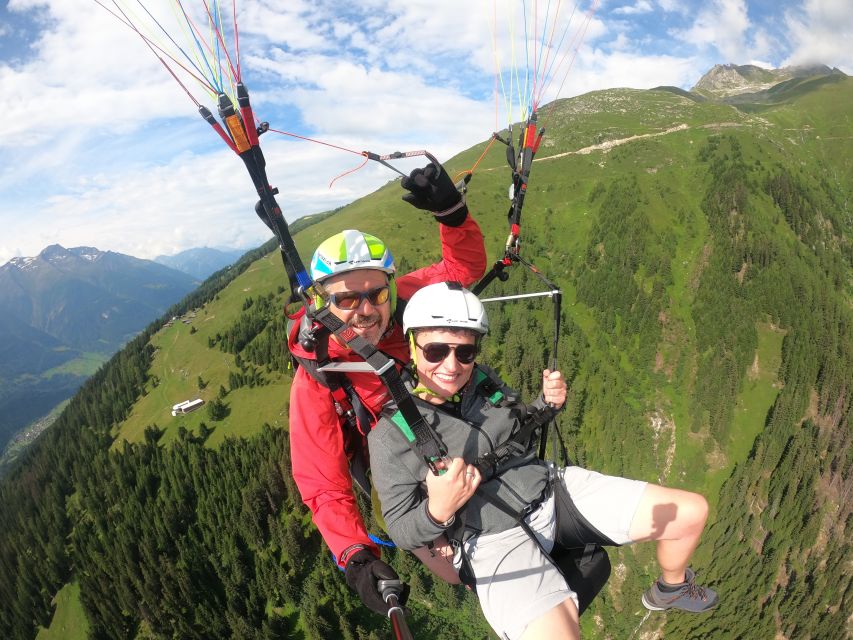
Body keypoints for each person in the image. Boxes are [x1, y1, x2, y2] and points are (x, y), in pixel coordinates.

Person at [368, 282, 719, 640]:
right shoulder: (389, 435)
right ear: (412, 347)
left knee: (689, 514)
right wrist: (436, 512)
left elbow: (517, 432)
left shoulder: (483, 382)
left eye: (465, 352)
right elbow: (398, 525)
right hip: (490, 540)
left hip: (550, 490)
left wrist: (545, 406)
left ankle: (670, 588)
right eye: (436, 351)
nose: (452, 365)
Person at [287, 163, 487, 615]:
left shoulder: (406, 301)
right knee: (466, 571)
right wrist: (356, 557)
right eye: (345, 299)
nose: (364, 310)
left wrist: (452, 215)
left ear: (390, 290)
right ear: (321, 303)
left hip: (454, 427)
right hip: (401, 470)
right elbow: (322, 481)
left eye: (375, 294)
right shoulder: (318, 374)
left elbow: (463, 267)